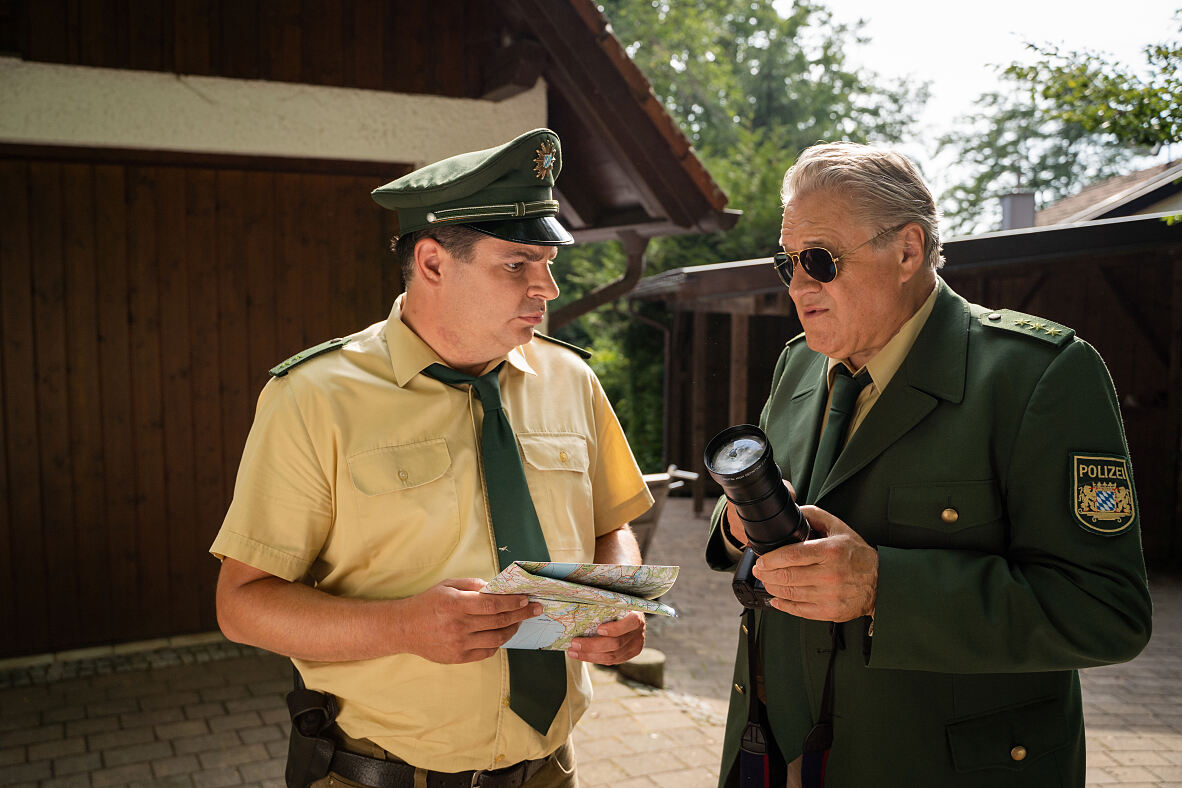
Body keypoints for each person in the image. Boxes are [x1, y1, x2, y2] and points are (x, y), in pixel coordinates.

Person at [211, 128, 653, 788]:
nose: (547, 288)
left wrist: (614, 603)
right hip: (382, 774)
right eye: (518, 264)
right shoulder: (313, 396)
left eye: (548, 262)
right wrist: (402, 627)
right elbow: (241, 605)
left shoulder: (570, 380)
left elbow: (610, 526)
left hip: (550, 771)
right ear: (433, 263)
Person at [705, 141, 1152, 787]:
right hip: (777, 752)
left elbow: (1107, 612)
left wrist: (884, 588)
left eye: (820, 260)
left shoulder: (1037, 375)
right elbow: (766, 502)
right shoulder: (798, 363)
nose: (799, 286)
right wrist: (737, 523)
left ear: (908, 251)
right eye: (787, 262)